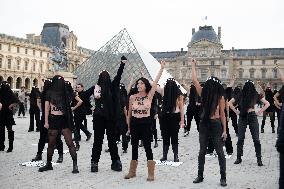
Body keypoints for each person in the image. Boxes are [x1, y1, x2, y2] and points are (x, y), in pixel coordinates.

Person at [85, 56, 127, 173]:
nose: (104, 77)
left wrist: (90, 107)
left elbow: (83, 96)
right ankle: (115, 162)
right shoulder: (112, 86)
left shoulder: (96, 87)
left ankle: (95, 163)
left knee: (99, 141)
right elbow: (118, 77)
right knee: (110, 140)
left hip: (101, 117)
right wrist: (122, 64)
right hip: (109, 117)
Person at [124, 60, 164, 181]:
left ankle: (151, 173)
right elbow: (129, 113)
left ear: (145, 85)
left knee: (147, 147)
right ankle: (132, 171)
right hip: (135, 123)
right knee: (134, 147)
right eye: (138, 83)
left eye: (141, 83)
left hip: (146, 123)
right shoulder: (132, 97)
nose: (139, 85)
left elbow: (156, 82)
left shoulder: (149, 95)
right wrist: (129, 127)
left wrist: (161, 68)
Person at [190, 59, 227, 187]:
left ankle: (223, 177)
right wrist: (193, 65)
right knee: (202, 151)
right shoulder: (204, 93)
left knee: (220, 151)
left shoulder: (220, 97)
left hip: (215, 124)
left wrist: (225, 130)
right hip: (204, 124)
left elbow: (223, 114)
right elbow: (194, 81)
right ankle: (200, 175)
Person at [38, 76, 82, 173]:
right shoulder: (53, 93)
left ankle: (74, 165)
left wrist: (46, 121)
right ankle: (50, 164)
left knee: (68, 142)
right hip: (57, 119)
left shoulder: (62, 92)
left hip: (60, 119)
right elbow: (46, 108)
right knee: (53, 143)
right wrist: (46, 121)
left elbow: (46, 108)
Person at [228, 80, 270, 166]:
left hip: (243, 116)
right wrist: (259, 112)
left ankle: (239, 158)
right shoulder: (254, 94)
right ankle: (258, 159)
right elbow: (267, 104)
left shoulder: (241, 94)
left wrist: (236, 112)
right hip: (251, 116)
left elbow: (229, 103)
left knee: (242, 139)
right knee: (255, 139)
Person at [31, 80, 64, 163]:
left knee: (42, 138)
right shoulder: (54, 94)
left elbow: (39, 103)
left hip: (46, 117)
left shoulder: (44, 93)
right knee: (57, 138)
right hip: (54, 117)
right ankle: (60, 156)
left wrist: (41, 110)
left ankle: (39, 154)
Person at [159, 78, 184, 162]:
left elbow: (181, 108)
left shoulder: (179, 95)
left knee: (174, 136)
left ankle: (175, 156)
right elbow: (154, 86)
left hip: (174, 116)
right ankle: (165, 155)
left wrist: (182, 120)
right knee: (165, 136)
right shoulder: (163, 91)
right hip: (165, 116)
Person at [0, 81, 18, 152]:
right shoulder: (1, 91)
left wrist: (12, 105)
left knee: (9, 129)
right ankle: (1, 146)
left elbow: (17, 101)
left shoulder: (10, 93)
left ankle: (10, 146)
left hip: (8, 114)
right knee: (1, 130)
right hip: (1, 113)